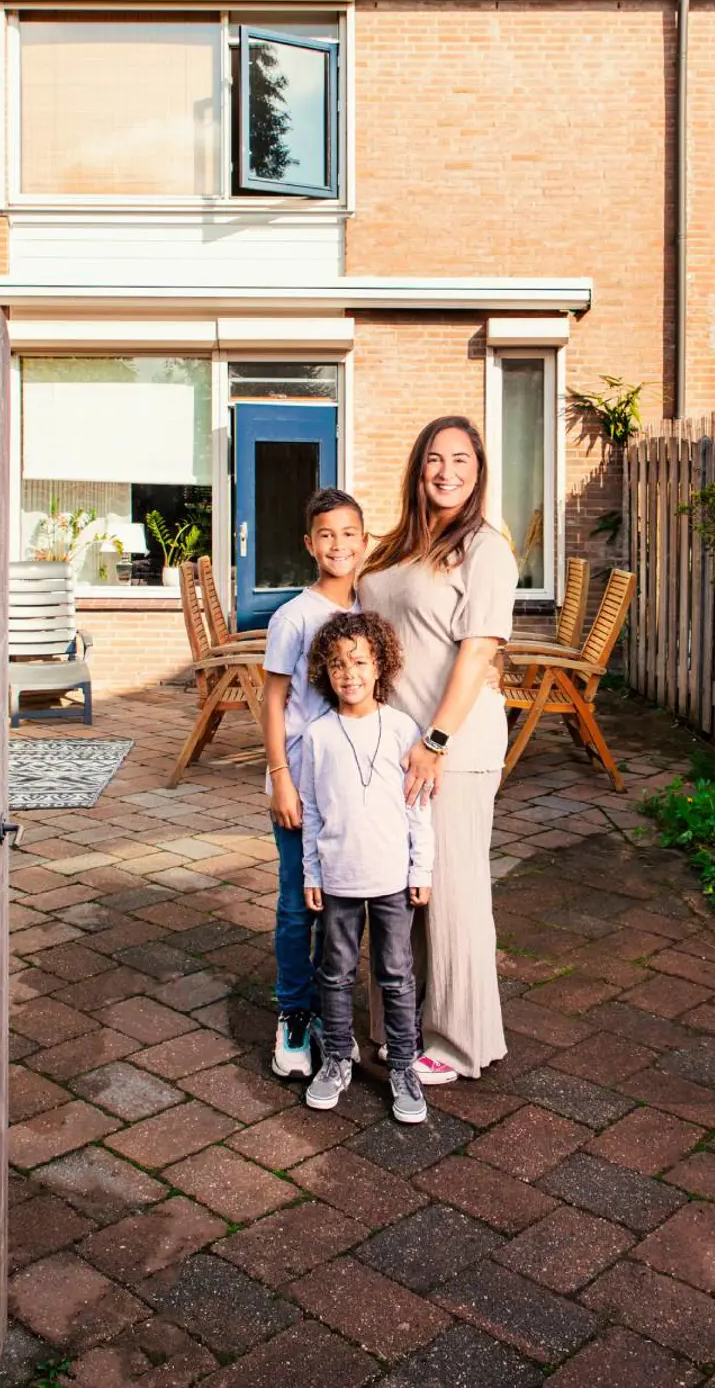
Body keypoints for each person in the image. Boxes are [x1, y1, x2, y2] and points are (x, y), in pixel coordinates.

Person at [359, 415, 518, 1081]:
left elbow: (480, 650)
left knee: (452, 893)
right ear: (417, 468)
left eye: (460, 459)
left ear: (478, 471)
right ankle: (399, 1022)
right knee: (397, 892)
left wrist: (436, 739)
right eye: (433, 458)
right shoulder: (399, 543)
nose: (446, 470)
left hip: (453, 745)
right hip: (395, 746)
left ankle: (459, 1042)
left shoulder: (484, 548)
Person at [300, 611, 432, 1125]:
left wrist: (422, 868)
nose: (348, 673)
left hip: (393, 879)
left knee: (396, 975)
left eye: (358, 661)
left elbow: (419, 805)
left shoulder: (403, 730)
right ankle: (336, 1056)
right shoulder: (317, 736)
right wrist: (312, 872)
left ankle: (402, 1065)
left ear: (380, 665)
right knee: (333, 973)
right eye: (336, 665)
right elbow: (311, 811)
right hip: (337, 878)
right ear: (325, 673)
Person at [260, 487, 365, 1079]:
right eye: (326, 534)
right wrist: (280, 779)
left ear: (364, 540)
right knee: (298, 906)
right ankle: (293, 1013)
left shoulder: (364, 613)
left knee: (341, 908)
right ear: (308, 544)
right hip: (299, 787)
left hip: (347, 791)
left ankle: (332, 1012)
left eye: (348, 533)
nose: (338, 545)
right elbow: (273, 703)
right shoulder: (293, 617)